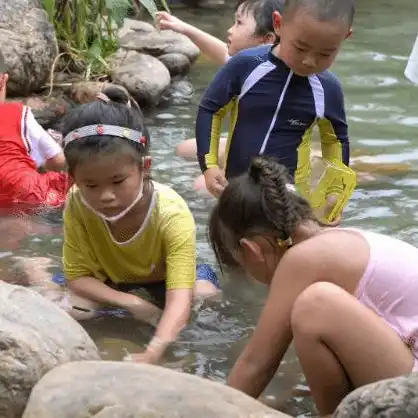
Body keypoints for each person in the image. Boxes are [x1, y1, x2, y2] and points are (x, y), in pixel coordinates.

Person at [207, 156, 418, 416]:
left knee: (313, 307)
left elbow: (256, 363)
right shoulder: (340, 240)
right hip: (408, 373)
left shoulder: (302, 259)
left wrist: (213, 410)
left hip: (412, 392)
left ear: (252, 250)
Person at [60, 86, 220, 364]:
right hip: (113, 279)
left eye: (118, 181)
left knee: (204, 300)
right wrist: (133, 304)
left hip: (167, 278)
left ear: (145, 168)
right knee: (72, 309)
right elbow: (77, 277)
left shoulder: (171, 213)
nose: (106, 195)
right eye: (91, 185)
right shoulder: (76, 201)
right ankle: (34, 270)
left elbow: (179, 298)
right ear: (73, 178)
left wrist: (154, 351)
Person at [196, 0, 354, 207]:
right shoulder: (246, 65)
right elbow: (211, 109)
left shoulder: (328, 89)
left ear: (345, 37)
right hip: (236, 189)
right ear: (278, 24)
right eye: (300, 47)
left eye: (325, 53)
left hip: (289, 200)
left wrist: (334, 192)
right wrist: (209, 166)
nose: (309, 61)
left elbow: (336, 140)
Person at [156, 0, 285, 163]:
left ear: (267, 40)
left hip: (266, 154)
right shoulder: (253, 64)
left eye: (239, 23)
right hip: (245, 142)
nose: (230, 30)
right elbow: (223, 53)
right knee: (184, 148)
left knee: (201, 184)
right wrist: (184, 28)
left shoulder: (271, 78)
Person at [0, 49, 70, 213]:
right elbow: (58, 160)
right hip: (27, 190)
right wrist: (41, 164)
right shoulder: (17, 113)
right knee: (77, 183)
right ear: (3, 80)